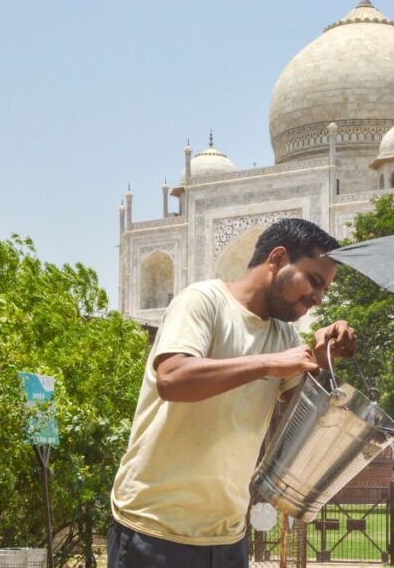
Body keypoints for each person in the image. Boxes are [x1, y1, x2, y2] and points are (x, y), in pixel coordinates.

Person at [109, 218, 356, 567]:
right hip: (156, 530)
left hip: (227, 537)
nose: (317, 298)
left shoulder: (282, 336)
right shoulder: (203, 301)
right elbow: (172, 377)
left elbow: (307, 416)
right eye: (314, 281)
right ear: (278, 259)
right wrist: (268, 364)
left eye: (324, 290)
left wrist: (322, 356)